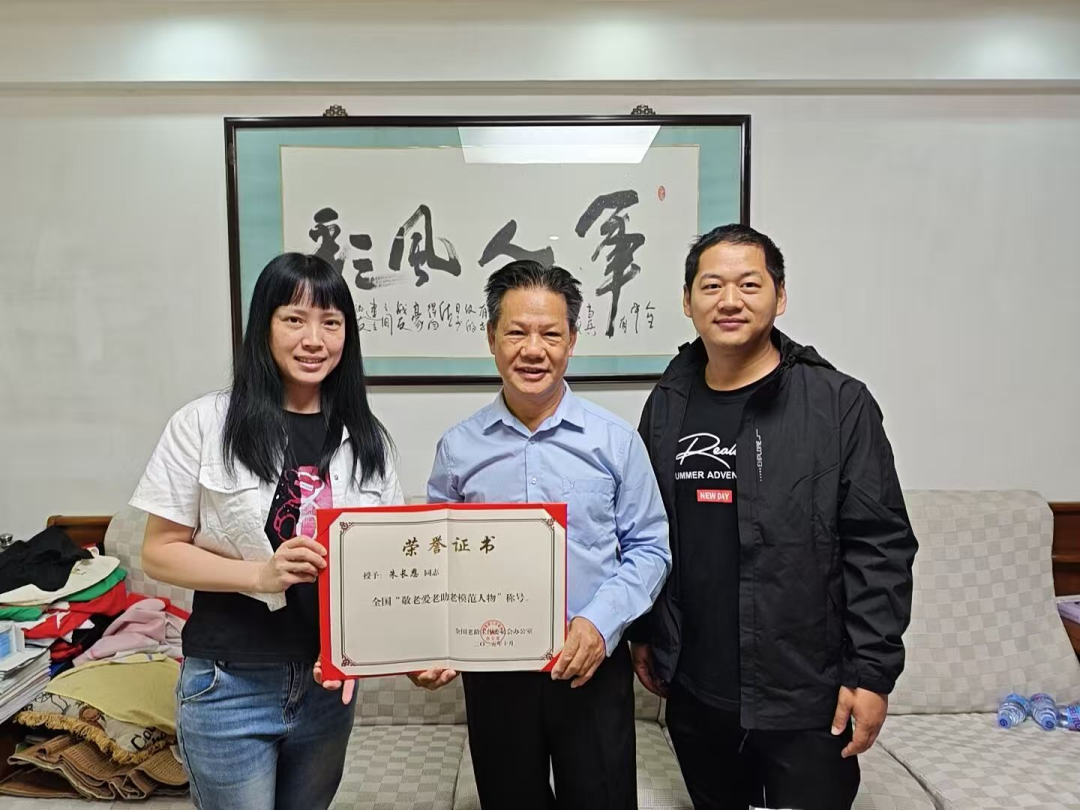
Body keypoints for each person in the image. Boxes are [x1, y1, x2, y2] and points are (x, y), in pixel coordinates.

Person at [629, 224, 918, 810]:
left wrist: (871, 673)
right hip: (696, 690)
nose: (729, 300)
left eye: (749, 284)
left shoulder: (838, 404)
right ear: (687, 301)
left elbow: (880, 544)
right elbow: (644, 530)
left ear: (780, 296)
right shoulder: (667, 403)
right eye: (712, 285)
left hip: (805, 695)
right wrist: (644, 633)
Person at [130, 253, 403, 810]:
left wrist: (391, 650)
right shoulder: (204, 423)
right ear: (264, 325)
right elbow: (159, 552)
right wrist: (260, 574)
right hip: (229, 683)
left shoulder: (367, 438)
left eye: (331, 323)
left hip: (327, 691)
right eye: (294, 319)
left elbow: (388, 566)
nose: (314, 339)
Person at [417, 259, 670, 809]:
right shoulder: (458, 449)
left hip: (591, 661)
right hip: (494, 669)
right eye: (516, 332)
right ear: (491, 338)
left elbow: (650, 548)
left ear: (572, 341)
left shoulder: (615, 442)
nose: (533, 350)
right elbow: (437, 560)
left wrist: (599, 624)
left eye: (550, 334)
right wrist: (428, 643)